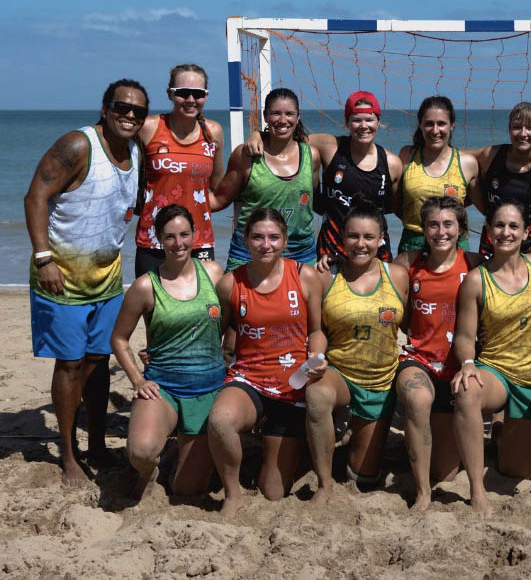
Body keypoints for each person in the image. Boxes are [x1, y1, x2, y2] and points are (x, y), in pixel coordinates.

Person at [24, 78, 147, 485]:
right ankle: (69, 454)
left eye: (138, 111)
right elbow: (35, 197)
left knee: (98, 362)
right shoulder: (78, 145)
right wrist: (44, 259)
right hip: (60, 277)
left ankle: (95, 445)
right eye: (122, 106)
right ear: (106, 107)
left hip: (107, 277)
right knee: (71, 363)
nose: (130, 115)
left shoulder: (135, 151)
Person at [206, 208, 327, 517]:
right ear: (246, 241)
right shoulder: (231, 283)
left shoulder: (305, 276)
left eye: (274, 237)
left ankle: (282, 448)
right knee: (220, 420)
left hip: (293, 384)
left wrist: (317, 357)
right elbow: (215, 334)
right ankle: (233, 494)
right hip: (248, 378)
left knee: (273, 492)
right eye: (257, 237)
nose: (266, 244)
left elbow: (317, 331)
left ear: (285, 241)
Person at [110, 205, 225, 499]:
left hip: (208, 388)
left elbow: (235, 321)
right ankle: (149, 475)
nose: (179, 243)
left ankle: (181, 454)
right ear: (159, 238)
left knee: (187, 489)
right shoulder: (146, 286)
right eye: (170, 236)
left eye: (185, 234)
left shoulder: (213, 273)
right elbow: (119, 339)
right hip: (164, 388)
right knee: (141, 451)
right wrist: (137, 380)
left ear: (195, 236)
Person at [451, 200, 531, 517]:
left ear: (524, 233)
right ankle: (477, 491)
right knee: (466, 392)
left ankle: (504, 432)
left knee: (516, 470)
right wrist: (467, 363)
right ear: (489, 232)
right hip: (496, 372)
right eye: (499, 226)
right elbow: (465, 337)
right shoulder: (476, 280)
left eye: (513, 226)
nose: (506, 232)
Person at [305, 204, 409, 503]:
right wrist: (317, 356)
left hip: (379, 380)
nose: (360, 244)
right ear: (342, 238)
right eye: (352, 236)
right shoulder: (326, 276)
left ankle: (346, 444)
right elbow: (316, 330)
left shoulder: (398, 277)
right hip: (337, 372)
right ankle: (324, 484)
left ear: (382, 240)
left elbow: (413, 324)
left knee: (361, 475)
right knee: (317, 397)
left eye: (368, 237)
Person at [392, 196, 484, 510]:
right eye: (433, 224)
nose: (440, 231)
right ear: (424, 228)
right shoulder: (407, 263)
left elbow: (519, 268)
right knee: (417, 399)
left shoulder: (474, 263)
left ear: (460, 229)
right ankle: (422, 494)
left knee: (445, 473)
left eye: (448, 224)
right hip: (418, 359)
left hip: (460, 367)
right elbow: (391, 305)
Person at [247, 90, 402, 267]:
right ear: (347, 122)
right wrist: (258, 135)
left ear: (378, 122)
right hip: (331, 251)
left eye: (369, 119)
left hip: (373, 250)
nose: (363, 126)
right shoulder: (330, 147)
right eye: (357, 120)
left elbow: (394, 207)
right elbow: (286, 136)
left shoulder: (392, 163)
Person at [212, 88, 321, 270]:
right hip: (250, 253)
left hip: (300, 252)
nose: (283, 120)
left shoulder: (312, 156)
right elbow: (218, 199)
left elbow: (314, 201)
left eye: (289, 114)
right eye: (276, 113)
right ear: (265, 115)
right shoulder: (246, 155)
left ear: (298, 117)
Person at [134, 63, 225, 276]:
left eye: (198, 94)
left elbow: (218, 189)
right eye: (183, 93)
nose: (191, 100)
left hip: (198, 240)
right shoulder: (149, 127)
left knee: (199, 306)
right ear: (169, 94)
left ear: (206, 95)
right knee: (154, 306)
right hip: (153, 240)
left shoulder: (213, 132)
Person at [468, 101, 531, 257]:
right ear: (509, 130)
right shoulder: (491, 155)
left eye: (530, 128)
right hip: (497, 244)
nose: (523, 133)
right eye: (517, 127)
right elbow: (456, 158)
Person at [397, 96, 479, 254]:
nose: (435, 130)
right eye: (429, 124)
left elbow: (478, 204)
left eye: (441, 123)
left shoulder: (467, 163)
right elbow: (397, 203)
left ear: (452, 125)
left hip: (453, 246)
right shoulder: (407, 156)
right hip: (413, 244)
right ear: (420, 125)